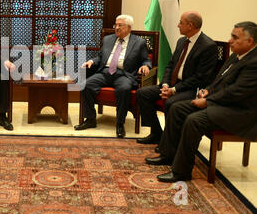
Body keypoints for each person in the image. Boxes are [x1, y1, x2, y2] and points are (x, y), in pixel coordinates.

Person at [145, 22, 257, 182]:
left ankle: (181, 172)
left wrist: (208, 101)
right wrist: (208, 91)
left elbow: (236, 92)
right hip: (224, 103)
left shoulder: (254, 62)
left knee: (194, 120)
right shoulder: (236, 55)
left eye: (235, 37)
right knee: (177, 108)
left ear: (250, 41)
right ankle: (168, 154)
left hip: (241, 113)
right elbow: (219, 80)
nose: (230, 40)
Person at [136, 11, 217, 145]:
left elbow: (200, 78)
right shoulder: (181, 41)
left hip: (191, 89)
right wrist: (166, 84)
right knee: (142, 93)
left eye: (181, 22)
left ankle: (170, 142)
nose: (178, 25)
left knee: (170, 102)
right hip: (173, 84)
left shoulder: (208, 46)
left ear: (190, 26)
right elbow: (171, 65)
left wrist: (174, 90)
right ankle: (157, 133)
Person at [74, 15, 151, 138]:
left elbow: (146, 60)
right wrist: (92, 61)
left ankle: (120, 123)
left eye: (120, 25)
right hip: (105, 72)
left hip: (124, 75)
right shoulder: (108, 39)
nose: (117, 28)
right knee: (86, 84)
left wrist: (146, 66)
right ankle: (90, 119)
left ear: (129, 28)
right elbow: (100, 57)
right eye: (116, 25)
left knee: (124, 89)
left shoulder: (139, 42)